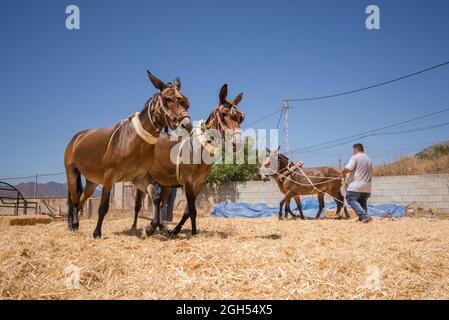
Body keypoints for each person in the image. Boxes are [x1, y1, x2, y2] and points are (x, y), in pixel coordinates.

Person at [341, 143, 373, 223]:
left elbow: (349, 168)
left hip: (356, 186)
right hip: (367, 187)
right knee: (362, 201)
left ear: (355, 149)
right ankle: (363, 218)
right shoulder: (369, 158)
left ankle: (364, 216)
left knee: (350, 198)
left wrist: (343, 172)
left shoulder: (355, 157)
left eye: (353, 150)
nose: (353, 152)